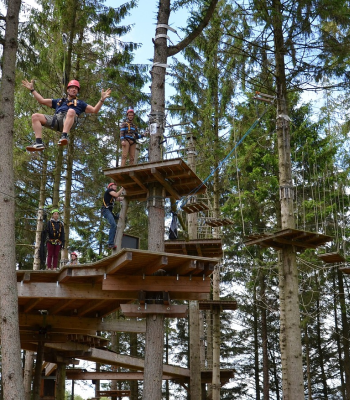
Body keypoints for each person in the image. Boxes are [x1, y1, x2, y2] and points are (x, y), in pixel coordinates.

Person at [22, 78, 111, 151]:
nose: (74, 89)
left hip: (69, 121)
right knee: (35, 116)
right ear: (68, 90)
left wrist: (102, 99)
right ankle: (38, 142)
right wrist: (32, 90)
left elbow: (95, 110)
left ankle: (64, 136)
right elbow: (41, 100)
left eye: (76, 88)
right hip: (57, 120)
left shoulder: (80, 103)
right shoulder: (59, 101)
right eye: (72, 87)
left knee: (71, 111)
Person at [102, 183, 124, 249]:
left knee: (119, 216)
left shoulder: (113, 196)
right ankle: (110, 243)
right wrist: (122, 188)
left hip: (109, 212)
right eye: (114, 185)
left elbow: (119, 198)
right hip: (105, 210)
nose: (116, 186)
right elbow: (117, 194)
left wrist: (127, 197)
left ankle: (118, 234)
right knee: (113, 225)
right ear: (110, 187)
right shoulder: (108, 191)